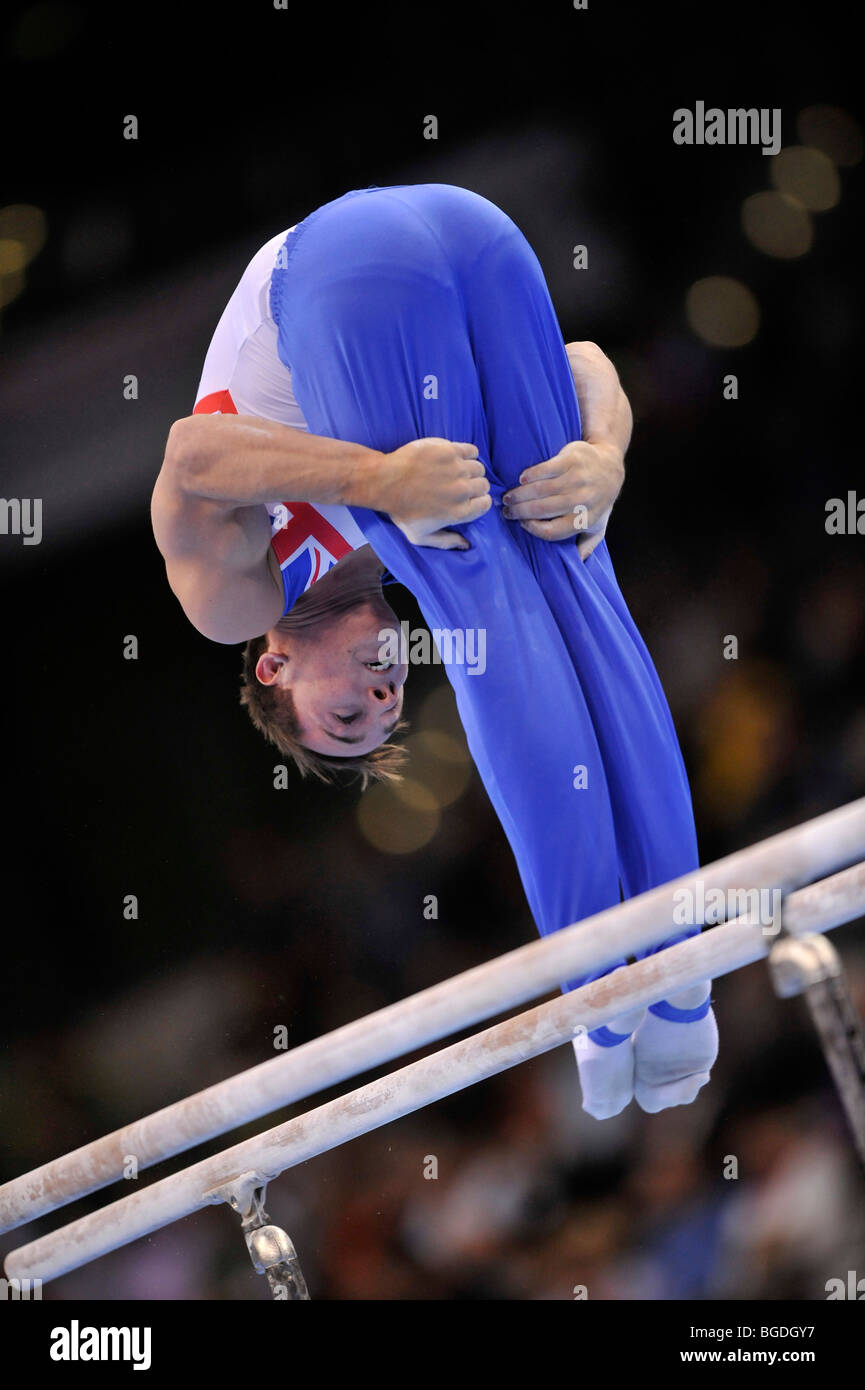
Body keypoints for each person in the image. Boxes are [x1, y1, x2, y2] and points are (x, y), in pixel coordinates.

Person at [152, 184, 717, 1118]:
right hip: (480, 228)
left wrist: (373, 476)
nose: (381, 694)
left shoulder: (242, 595)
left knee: (480, 593)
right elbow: (585, 361)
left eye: (344, 714)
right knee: (571, 557)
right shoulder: (388, 554)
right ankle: (686, 979)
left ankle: (601, 1003)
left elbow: (189, 453)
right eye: (386, 710)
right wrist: (608, 457)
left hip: (335, 266)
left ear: (275, 668)